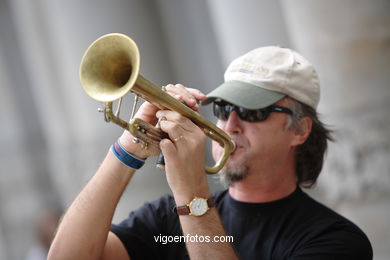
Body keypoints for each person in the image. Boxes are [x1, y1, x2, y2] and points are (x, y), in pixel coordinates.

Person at [48, 46, 372, 259]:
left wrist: (191, 191)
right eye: (223, 107)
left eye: (253, 112)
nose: (230, 123)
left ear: (300, 130)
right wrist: (127, 148)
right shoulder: (167, 224)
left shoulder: (334, 241)